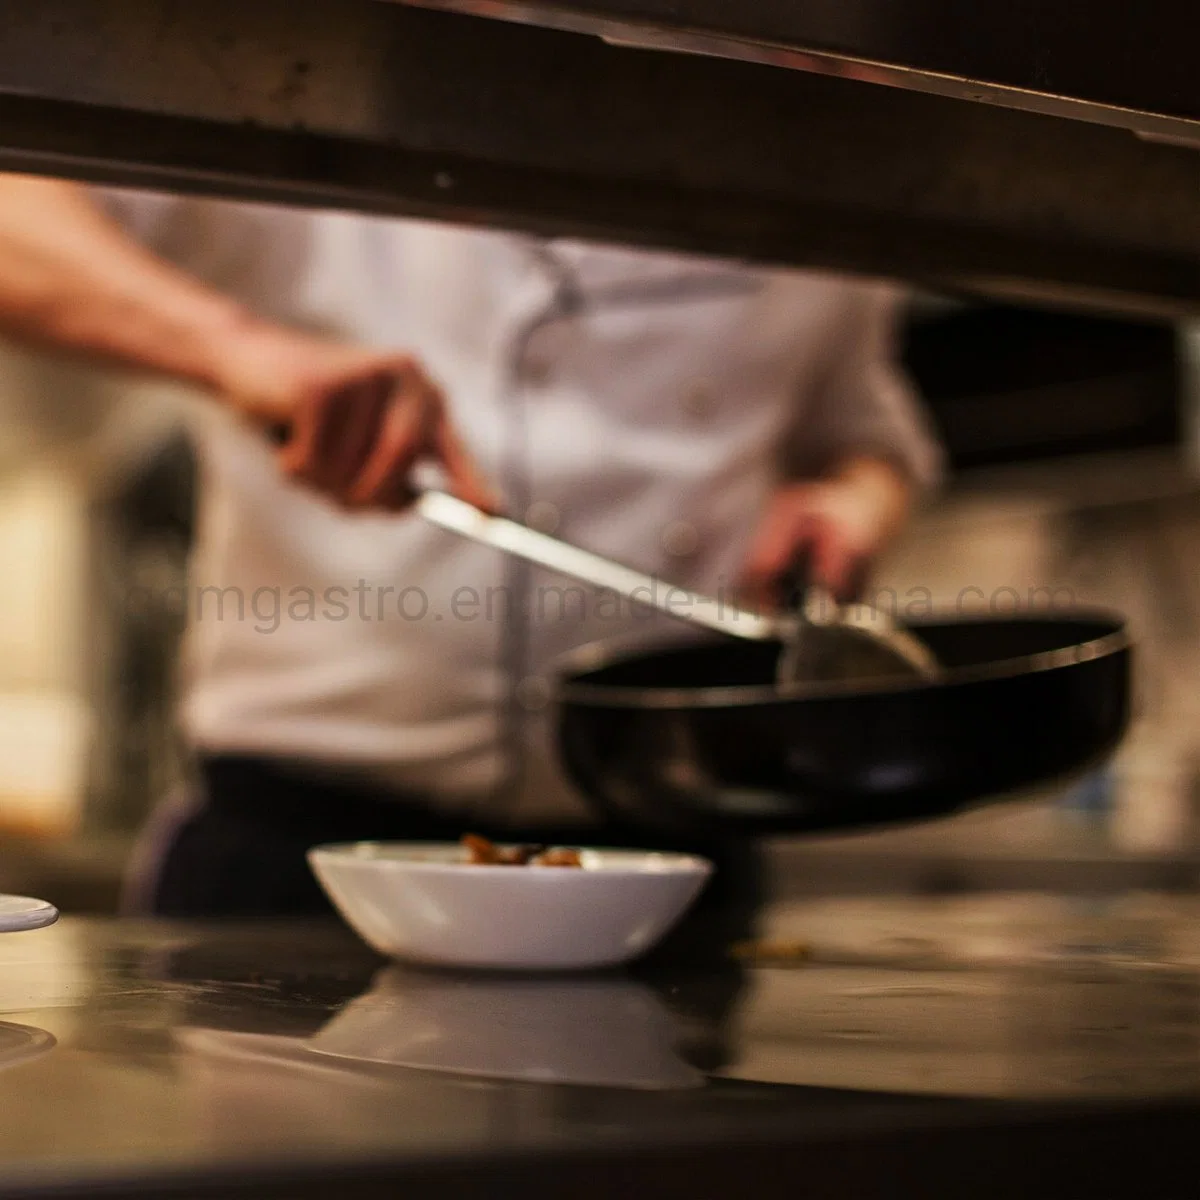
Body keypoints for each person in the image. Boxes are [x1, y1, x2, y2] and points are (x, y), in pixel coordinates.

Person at [0, 174, 941, 923]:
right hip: (299, 855)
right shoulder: (318, 67)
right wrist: (235, 346)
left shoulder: (795, 133)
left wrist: (850, 503)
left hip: (671, 867)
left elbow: (866, 436)